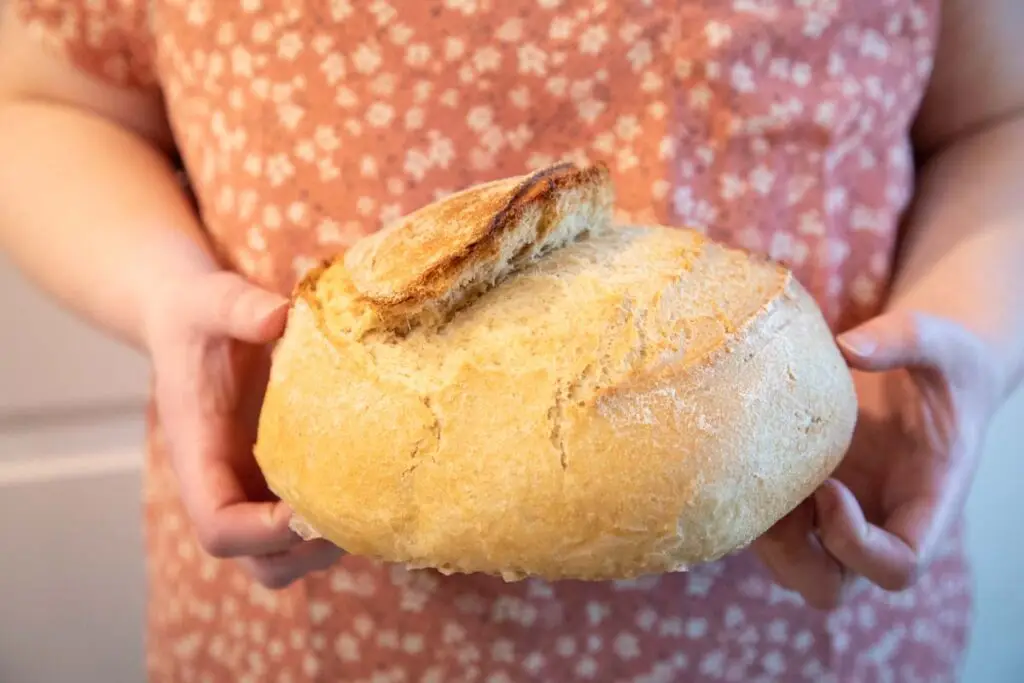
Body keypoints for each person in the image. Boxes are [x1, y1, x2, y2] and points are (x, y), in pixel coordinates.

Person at [1, 0, 1021, 680]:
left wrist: (969, 326)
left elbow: (1001, 114)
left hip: (808, 608)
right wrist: (167, 296)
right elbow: (41, 99)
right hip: (312, 628)